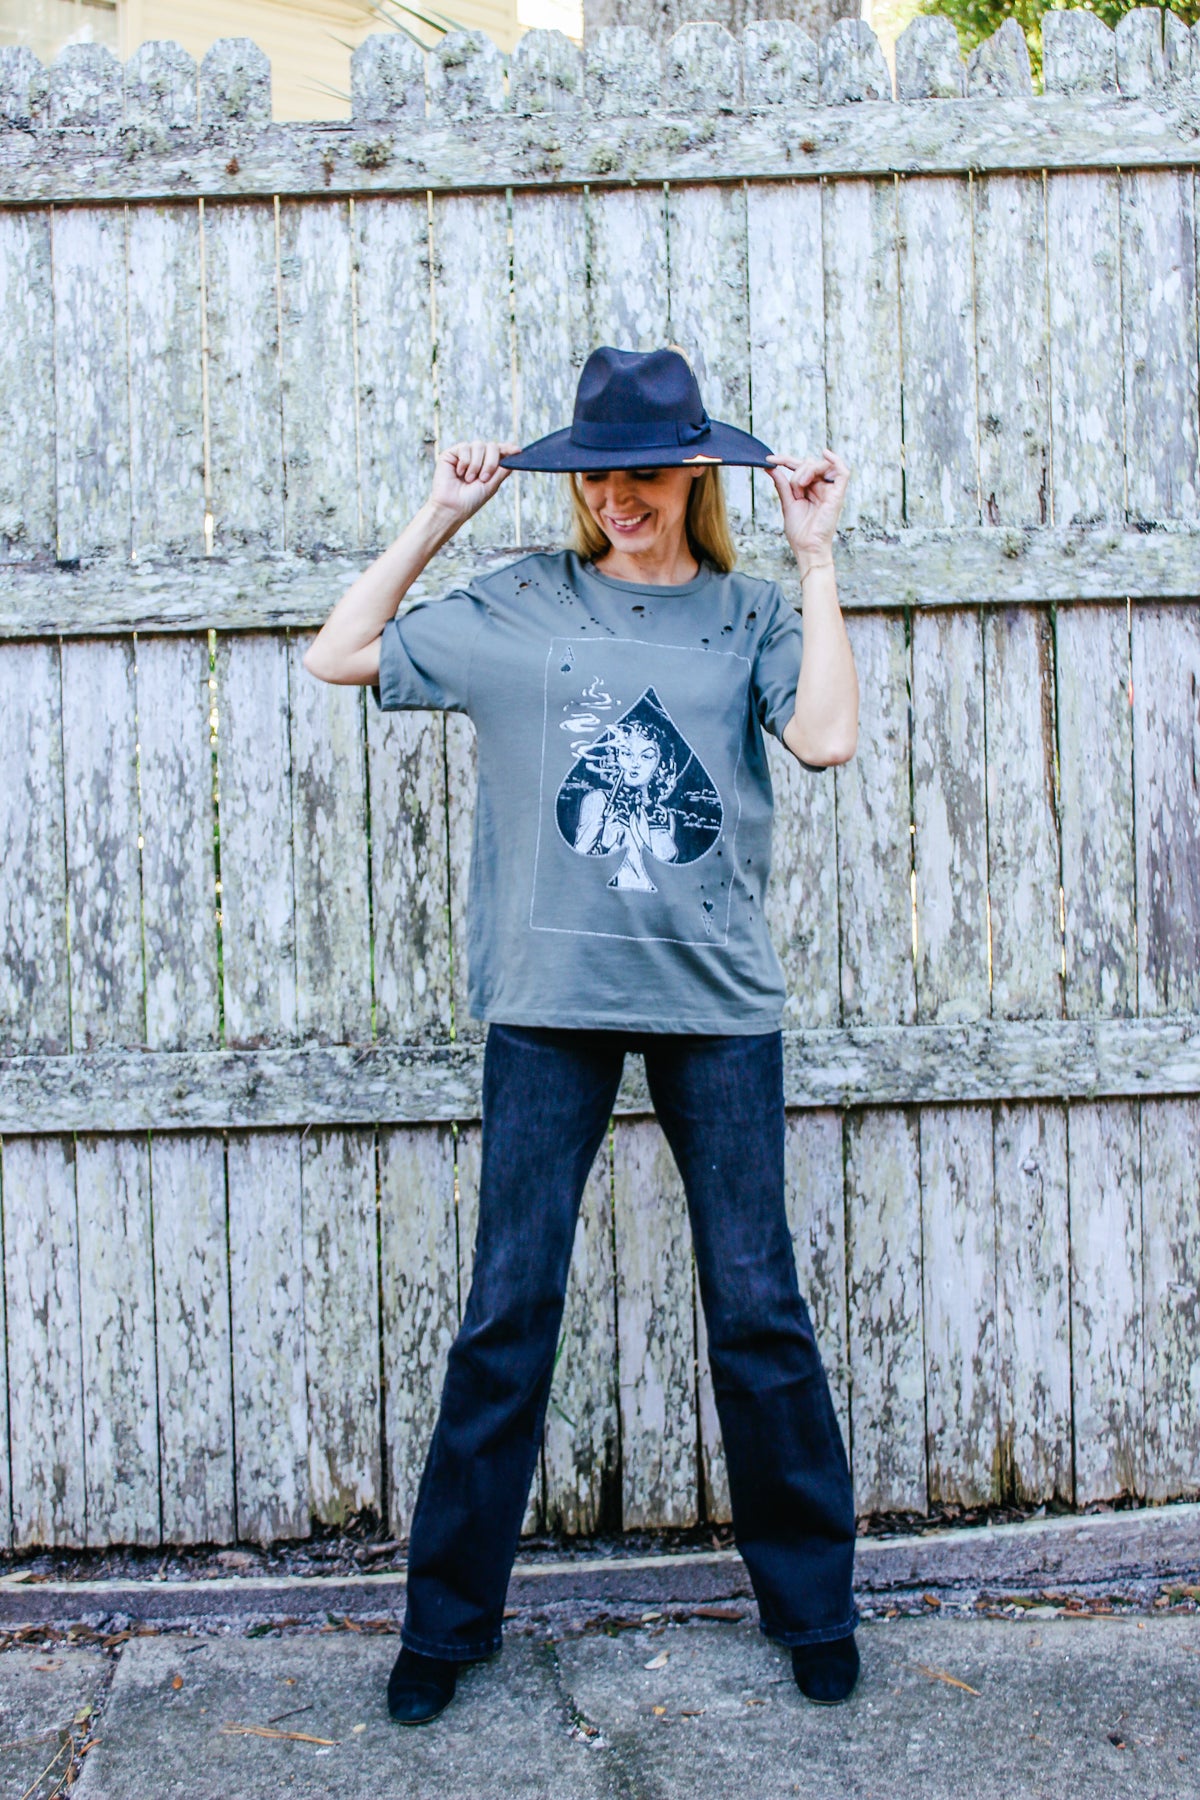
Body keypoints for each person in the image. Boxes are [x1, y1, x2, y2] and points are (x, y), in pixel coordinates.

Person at [303, 345, 861, 1724]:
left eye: (648, 470)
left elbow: (828, 737)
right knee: (509, 1314)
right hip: (546, 1009)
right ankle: (446, 1626)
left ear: (694, 474)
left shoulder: (746, 616)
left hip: (713, 1006)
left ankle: (814, 1608)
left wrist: (814, 557)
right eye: (599, 471)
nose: (622, 494)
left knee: (758, 1310)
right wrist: (440, 516)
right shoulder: (521, 604)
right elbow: (340, 652)